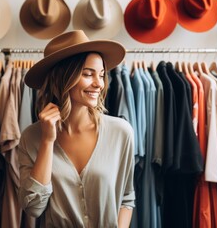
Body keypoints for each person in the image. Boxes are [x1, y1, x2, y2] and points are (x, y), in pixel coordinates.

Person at [18, 30, 135, 228]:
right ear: (63, 78)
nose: (98, 84)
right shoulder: (32, 137)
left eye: (101, 75)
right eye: (88, 74)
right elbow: (34, 207)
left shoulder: (121, 132)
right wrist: (47, 141)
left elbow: (126, 198)